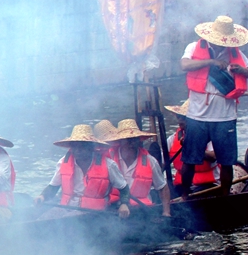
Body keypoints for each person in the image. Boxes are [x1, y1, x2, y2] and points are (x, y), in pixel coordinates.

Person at [178, 16, 248, 198]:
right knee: (189, 159)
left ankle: (224, 197)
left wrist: (242, 71)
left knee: (227, 162)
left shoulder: (237, 55)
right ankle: (185, 196)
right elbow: (184, 64)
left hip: (225, 117)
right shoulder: (194, 47)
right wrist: (211, 62)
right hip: (197, 115)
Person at [36, 125, 131, 217]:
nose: (78, 150)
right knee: (47, 217)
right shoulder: (62, 162)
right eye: (75, 147)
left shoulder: (109, 165)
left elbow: (123, 187)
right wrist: (42, 196)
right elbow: (53, 187)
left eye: (82, 147)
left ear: (91, 148)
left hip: (92, 212)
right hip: (66, 207)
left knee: (69, 220)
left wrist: (124, 204)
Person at [105, 120, 171, 216]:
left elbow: (162, 187)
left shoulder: (150, 161)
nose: (132, 143)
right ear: (120, 141)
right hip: (113, 210)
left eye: (134, 139)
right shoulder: (108, 159)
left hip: (141, 211)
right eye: (128, 139)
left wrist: (166, 212)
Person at [165, 100, 218, 191]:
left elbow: (213, 157)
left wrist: (191, 147)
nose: (180, 120)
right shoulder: (172, 139)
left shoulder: (210, 136)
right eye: (179, 117)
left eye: (184, 117)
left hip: (209, 186)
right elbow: (162, 162)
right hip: (182, 186)